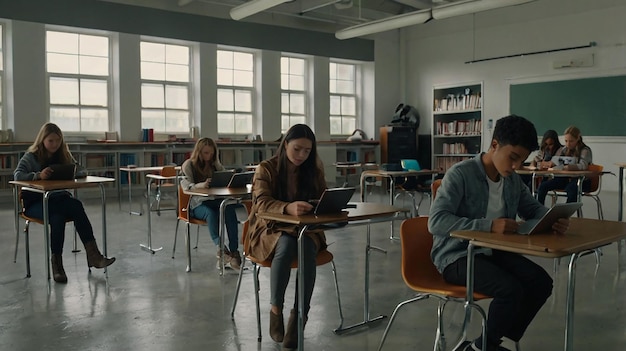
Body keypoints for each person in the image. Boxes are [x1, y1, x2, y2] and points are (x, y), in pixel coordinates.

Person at [428, 115, 569, 351]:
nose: (515, 167)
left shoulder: (512, 180)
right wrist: (489, 225)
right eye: (513, 158)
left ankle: (487, 342)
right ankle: (486, 346)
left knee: (541, 283)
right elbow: (436, 221)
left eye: (522, 161)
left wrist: (552, 219)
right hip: (456, 257)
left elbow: (532, 208)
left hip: (493, 252)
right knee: (510, 290)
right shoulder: (460, 174)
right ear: (494, 145)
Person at [245, 124, 327, 350]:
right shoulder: (266, 168)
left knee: (306, 247)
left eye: (307, 151)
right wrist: (287, 207)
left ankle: (300, 317)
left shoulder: (313, 170)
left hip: (306, 228)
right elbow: (260, 203)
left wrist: (322, 205)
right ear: (285, 145)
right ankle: (276, 309)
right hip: (269, 228)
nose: (302, 155)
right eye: (297, 149)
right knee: (287, 244)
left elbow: (323, 197)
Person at [13, 123, 115, 283]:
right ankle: (57, 265)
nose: (55, 144)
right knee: (57, 217)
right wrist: (38, 175)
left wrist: (74, 172)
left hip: (58, 198)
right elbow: (17, 175)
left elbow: (81, 170)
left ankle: (93, 255)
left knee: (76, 205)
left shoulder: (63, 154)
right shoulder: (31, 156)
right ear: (42, 140)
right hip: (35, 202)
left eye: (58, 141)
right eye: (51, 141)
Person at [180, 137, 243, 270]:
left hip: (213, 200)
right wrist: (200, 185)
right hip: (196, 204)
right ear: (199, 152)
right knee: (211, 213)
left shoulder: (214, 164)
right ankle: (220, 249)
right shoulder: (189, 165)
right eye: (205, 153)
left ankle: (234, 251)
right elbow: (186, 186)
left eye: (211, 153)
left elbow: (224, 176)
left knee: (229, 208)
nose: (209, 156)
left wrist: (230, 177)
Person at [535, 126, 592, 205]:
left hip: (581, 181)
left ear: (578, 139)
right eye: (566, 141)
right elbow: (557, 160)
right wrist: (551, 164)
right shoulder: (564, 149)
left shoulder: (585, 150)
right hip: (565, 179)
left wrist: (569, 167)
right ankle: (539, 210)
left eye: (571, 141)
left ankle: (565, 214)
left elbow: (583, 166)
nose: (568, 144)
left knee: (571, 190)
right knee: (543, 186)